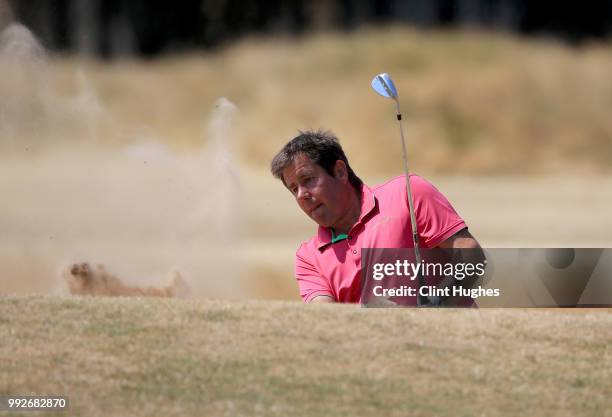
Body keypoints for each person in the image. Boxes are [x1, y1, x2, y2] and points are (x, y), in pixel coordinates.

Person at [270, 129, 482, 304]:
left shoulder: (407, 192)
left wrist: (436, 301)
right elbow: (326, 319)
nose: (302, 195)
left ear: (340, 172)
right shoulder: (308, 258)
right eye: (294, 189)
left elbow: (471, 256)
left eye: (308, 179)